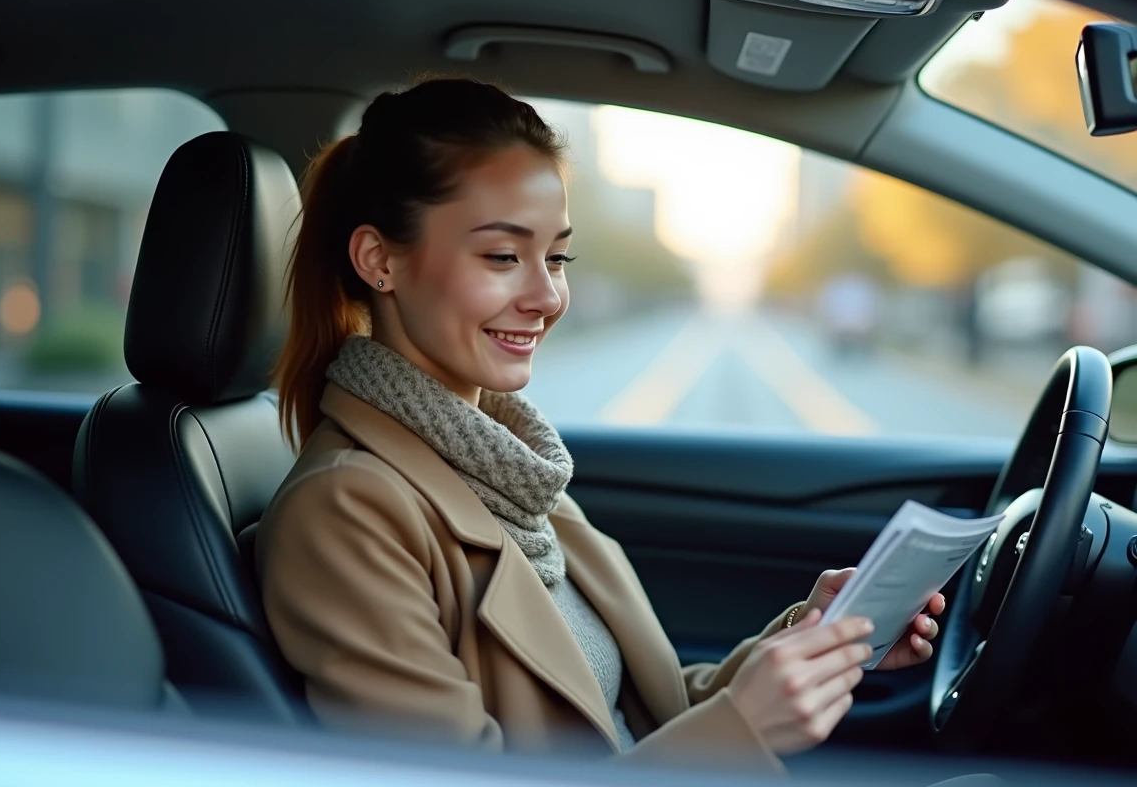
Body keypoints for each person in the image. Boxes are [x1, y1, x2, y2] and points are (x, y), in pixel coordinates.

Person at [255, 77, 944, 775]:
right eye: (502, 256)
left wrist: (811, 645)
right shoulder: (345, 510)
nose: (547, 296)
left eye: (556, 257)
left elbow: (642, 717)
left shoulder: (510, 464)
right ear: (380, 261)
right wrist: (745, 727)